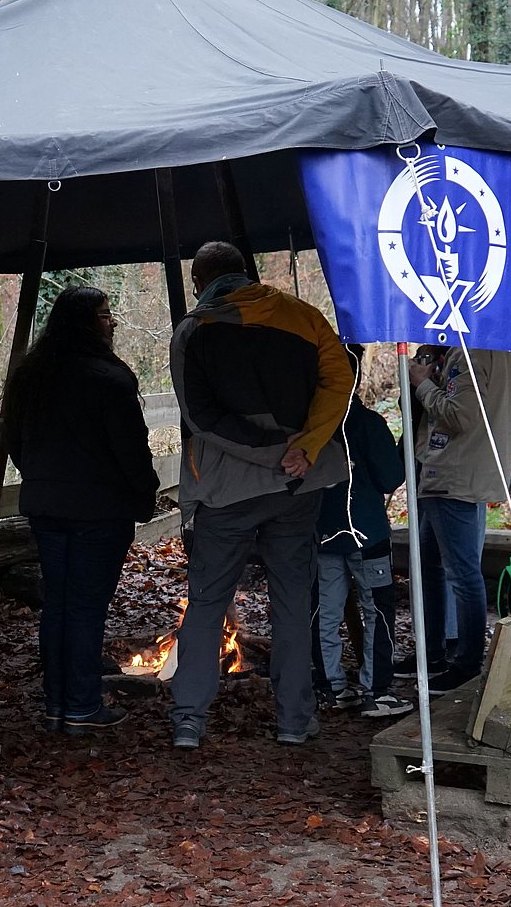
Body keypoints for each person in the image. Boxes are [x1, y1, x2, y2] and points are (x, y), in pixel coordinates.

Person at [167, 241, 352, 749]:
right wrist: (304, 447)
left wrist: (270, 454)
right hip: (299, 484)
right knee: (292, 600)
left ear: (199, 283)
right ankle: (294, 719)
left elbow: (200, 417)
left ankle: (189, 719)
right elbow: (339, 381)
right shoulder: (304, 316)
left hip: (227, 489)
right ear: (247, 273)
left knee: (207, 601)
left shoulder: (193, 329)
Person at [6, 285, 159, 735]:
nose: (112, 322)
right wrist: (145, 493)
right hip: (99, 510)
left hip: (48, 507)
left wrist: (42, 478)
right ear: (88, 323)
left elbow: (14, 441)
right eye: (105, 315)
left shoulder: (31, 376)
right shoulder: (109, 379)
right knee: (85, 608)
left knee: (58, 604)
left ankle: (57, 704)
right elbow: (131, 449)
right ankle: (82, 705)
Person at [310, 344, 414, 719]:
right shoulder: (368, 423)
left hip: (323, 531)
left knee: (324, 612)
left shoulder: (309, 424)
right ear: (354, 377)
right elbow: (390, 477)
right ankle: (377, 691)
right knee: (377, 611)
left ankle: (331, 687)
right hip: (367, 533)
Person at [407, 345, 511, 694]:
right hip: (455, 471)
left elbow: (460, 416)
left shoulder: (470, 352)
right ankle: (432, 654)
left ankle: (467, 663)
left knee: (462, 573)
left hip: (454, 475)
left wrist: (422, 383)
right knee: (429, 567)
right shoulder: (498, 345)